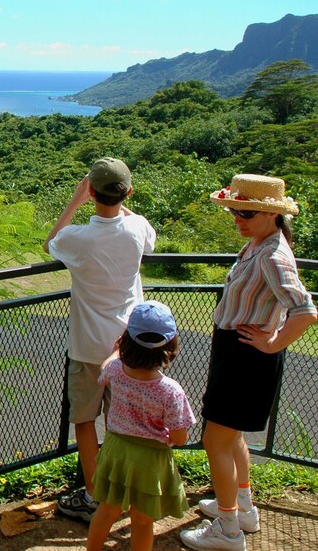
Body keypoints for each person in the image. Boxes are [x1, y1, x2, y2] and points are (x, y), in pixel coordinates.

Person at [180, 174, 317, 551]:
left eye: (247, 212)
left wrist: (273, 345)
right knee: (231, 435)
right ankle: (242, 506)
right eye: (234, 211)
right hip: (237, 351)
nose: (238, 218)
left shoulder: (273, 256)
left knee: (214, 440)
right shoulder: (261, 244)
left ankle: (227, 530)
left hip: (246, 357)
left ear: (271, 215)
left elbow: (306, 312)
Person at [44, 157, 157, 521]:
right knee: (123, 420)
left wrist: (76, 201)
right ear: (128, 192)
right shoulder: (138, 227)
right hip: (128, 344)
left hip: (90, 347)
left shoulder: (79, 238)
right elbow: (146, 238)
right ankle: (126, 492)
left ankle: (95, 497)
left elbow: (50, 243)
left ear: (91, 191)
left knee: (85, 420)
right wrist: (118, 199)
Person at [86, 301, 196, 551]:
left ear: (126, 339)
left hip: (116, 451)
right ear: (170, 345)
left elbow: (103, 372)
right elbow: (179, 438)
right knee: (143, 522)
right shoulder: (171, 391)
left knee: (106, 510)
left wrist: (115, 353)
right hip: (150, 460)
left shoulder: (116, 369)